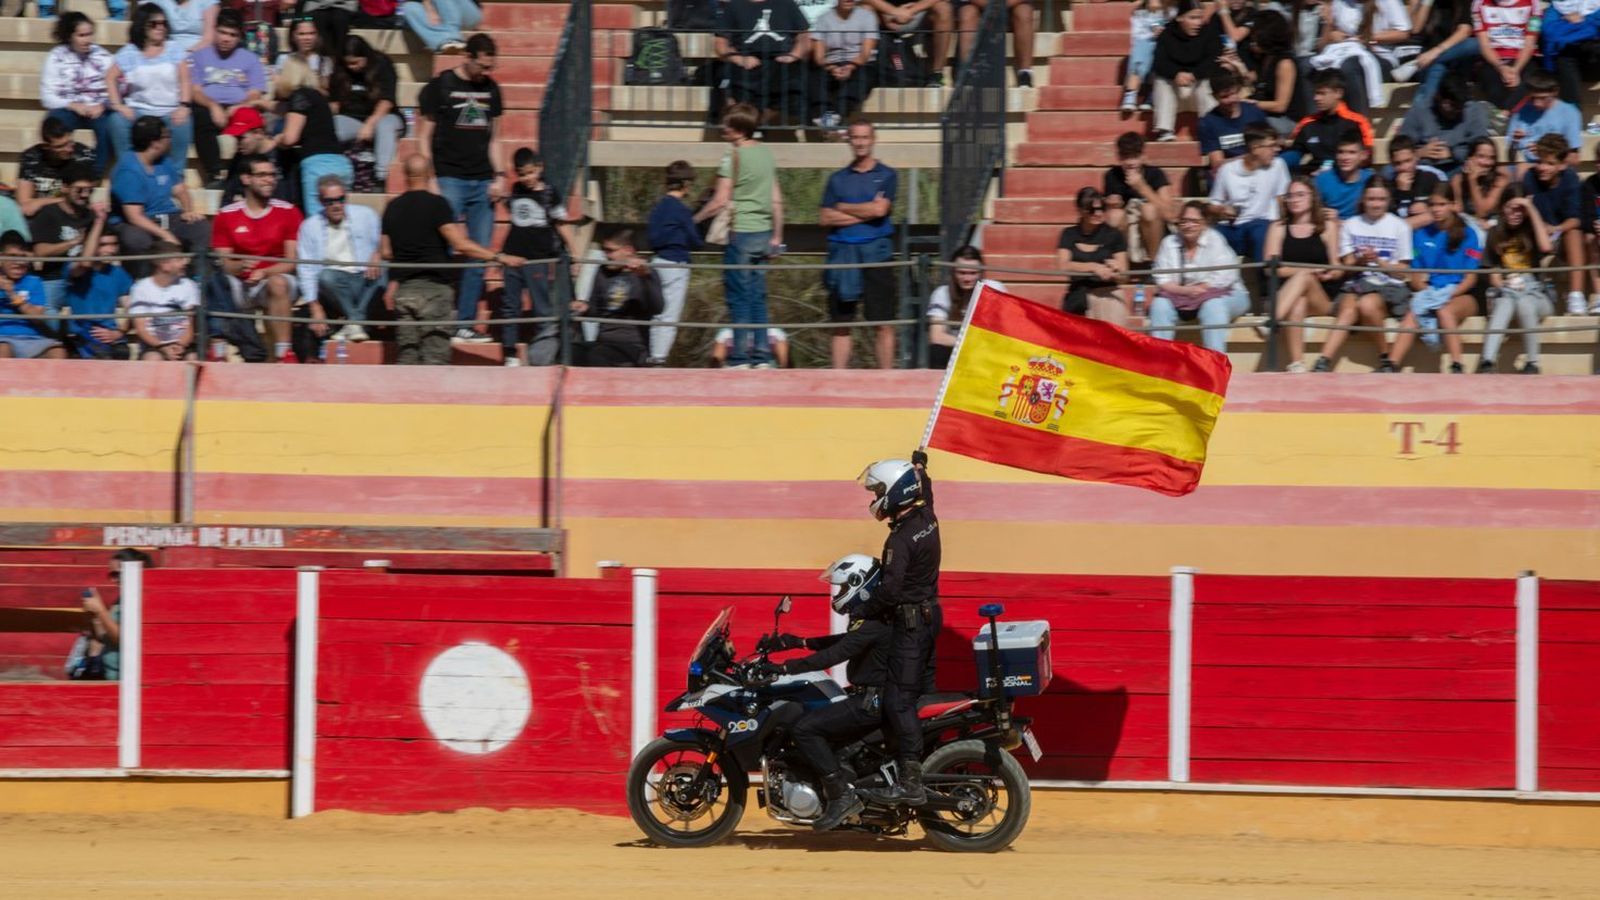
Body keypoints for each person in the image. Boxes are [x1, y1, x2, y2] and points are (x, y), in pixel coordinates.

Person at [754, 553, 893, 832]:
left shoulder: (875, 621)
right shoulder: (873, 618)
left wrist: (784, 669)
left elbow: (838, 653)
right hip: (869, 695)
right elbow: (843, 641)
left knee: (805, 729)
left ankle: (841, 796)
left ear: (858, 583)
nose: (840, 593)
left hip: (872, 700)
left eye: (842, 587)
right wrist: (798, 641)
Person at [855, 454, 941, 808]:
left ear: (894, 492)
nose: (873, 495)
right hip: (931, 616)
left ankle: (910, 781)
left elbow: (889, 592)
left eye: (877, 489)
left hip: (911, 626)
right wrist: (922, 470)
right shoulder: (927, 518)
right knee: (921, 694)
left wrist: (863, 610)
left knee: (898, 700)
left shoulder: (901, 539)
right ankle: (929, 758)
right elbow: (929, 493)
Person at [381, 155, 523, 365]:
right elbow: (461, 244)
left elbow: (385, 252)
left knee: (407, 356)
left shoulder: (392, 207)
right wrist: (498, 257)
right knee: (435, 358)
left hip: (406, 291)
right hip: (435, 291)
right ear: (430, 174)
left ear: (405, 175)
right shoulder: (438, 205)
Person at [417, 33, 505, 341]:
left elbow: (495, 138)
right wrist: (431, 178)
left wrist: (500, 175)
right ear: (467, 56)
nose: (486, 72)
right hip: (448, 177)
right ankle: (433, 317)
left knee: (479, 254)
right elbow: (424, 136)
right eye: (482, 65)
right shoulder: (440, 86)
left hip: (482, 180)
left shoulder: (491, 88)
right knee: (441, 248)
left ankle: (464, 323)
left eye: (490, 66)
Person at [693, 105, 783, 369]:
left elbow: (720, 201)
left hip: (741, 232)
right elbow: (777, 199)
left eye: (728, 125)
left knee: (738, 296)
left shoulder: (731, 156)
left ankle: (741, 357)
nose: (723, 128)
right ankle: (763, 356)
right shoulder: (766, 154)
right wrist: (777, 235)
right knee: (758, 296)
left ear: (740, 130)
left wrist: (693, 220)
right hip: (764, 233)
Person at [211, 154, 309, 362]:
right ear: (246, 179)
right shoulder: (226, 215)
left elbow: (291, 261)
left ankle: (285, 353)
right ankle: (217, 350)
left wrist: (264, 272)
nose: (269, 180)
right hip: (241, 283)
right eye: (262, 175)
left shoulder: (289, 212)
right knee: (213, 282)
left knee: (278, 283)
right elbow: (226, 264)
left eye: (272, 175)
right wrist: (240, 266)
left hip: (275, 279)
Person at [1312, 176, 1412, 371]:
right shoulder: (1351, 224)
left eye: (1381, 200)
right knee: (1348, 308)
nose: (1376, 204)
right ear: (1363, 200)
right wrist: (1361, 261)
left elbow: (1403, 272)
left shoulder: (1400, 226)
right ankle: (1323, 361)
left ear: (1389, 201)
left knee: (1367, 304)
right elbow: (1348, 266)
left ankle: (1385, 357)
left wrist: (1378, 261)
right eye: (1371, 199)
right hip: (1357, 282)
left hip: (1388, 286)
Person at [821, 119, 897, 369]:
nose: (860, 142)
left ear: (873, 140)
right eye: (855, 137)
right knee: (841, 322)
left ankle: (887, 380)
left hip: (877, 254)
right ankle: (838, 378)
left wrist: (843, 208)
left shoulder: (887, 175)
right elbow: (825, 217)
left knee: (883, 322)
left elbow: (880, 211)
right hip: (843, 255)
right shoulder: (837, 179)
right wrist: (865, 210)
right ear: (849, 140)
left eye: (865, 137)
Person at [1392, 184, 1481, 373]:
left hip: (1461, 295)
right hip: (1430, 291)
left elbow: (1470, 279)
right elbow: (1415, 273)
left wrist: (1445, 296)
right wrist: (1428, 294)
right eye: (1432, 204)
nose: (1436, 209)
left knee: (1444, 311)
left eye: (1442, 204)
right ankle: (1391, 365)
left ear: (1453, 205)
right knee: (1412, 314)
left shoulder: (1468, 234)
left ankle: (1457, 365)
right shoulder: (1420, 234)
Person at [499, 148, 575, 367]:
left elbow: (561, 224)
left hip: (537, 260)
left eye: (531, 173)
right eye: (522, 174)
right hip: (512, 258)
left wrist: (575, 252)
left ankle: (543, 355)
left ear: (539, 168)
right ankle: (510, 354)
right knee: (510, 305)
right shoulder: (515, 190)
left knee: (541, 307)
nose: (527, 179)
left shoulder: (550, 193)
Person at [110, 115, 209, 276]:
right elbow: (134, 216)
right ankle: (143, 282)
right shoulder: (128, 170)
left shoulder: (164, 161)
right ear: (155, 142)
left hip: (168, 216)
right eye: (167, 136)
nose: (170, 139)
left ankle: (197, 280)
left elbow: (180, 190)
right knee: (136, 239)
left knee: (200, 227)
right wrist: (165, 235)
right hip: (139, 222)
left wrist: (188, 210)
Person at [1150, 201, 1251, 354]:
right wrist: (1187, 291)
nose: (1188, 225)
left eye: (1194, 221)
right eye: (1184, 221)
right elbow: (1162, 279)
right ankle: (1159, 364)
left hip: (1228, 294)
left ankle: (1215, 365)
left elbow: (1225, 277)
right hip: (1181, 295)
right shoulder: (1169, 243)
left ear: (1204, 223)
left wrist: (1201, 289)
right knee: (1159, 305)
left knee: (1213, 306)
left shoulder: (1215, 240)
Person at [1268, 176, 1343, 371]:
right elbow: (1271, 268)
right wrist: (1308, 270)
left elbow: (1336, 266)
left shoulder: (1327, 227)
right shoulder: (1277, 228)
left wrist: (1329, 274)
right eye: (1290, 196)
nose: (1294, 200)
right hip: (1289, 296)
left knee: (1304, 277)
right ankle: (1297, 364)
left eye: (1300, 195)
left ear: (1312, 198)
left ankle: (1272, 319)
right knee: (1298, 301)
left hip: (1321, 297)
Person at [297, 174, 383, 344]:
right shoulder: (309, 226)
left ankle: (352, 322)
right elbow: (306, 269)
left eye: (340, 199)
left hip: (365, 278)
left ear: (346, 197)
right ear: (321, 201)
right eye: (330, 201)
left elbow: (384, 241)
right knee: (325, 276)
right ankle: (357, 322)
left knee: (386, 268)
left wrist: (378, 253)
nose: (336, 205)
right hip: (335, 286)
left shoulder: (367, 215)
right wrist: (315, 307)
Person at [106, 4, 194, 167]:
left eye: (163, 23)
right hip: (139, 110)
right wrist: (118, 105)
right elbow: (110, 77)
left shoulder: (174, 49)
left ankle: (176, 175)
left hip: (169, 110)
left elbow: (185, 79)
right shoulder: (130, 52)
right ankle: (129, 169)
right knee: (116, 121)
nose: (160, 28)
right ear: (142, 26)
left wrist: (184, 106)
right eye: (154, 24)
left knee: (184, 122)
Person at [189, 8, 268, 187]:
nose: (226, 38)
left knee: (250, 122)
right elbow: (195, 91)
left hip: (239, 107)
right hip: (208, 106)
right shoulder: (200, 56)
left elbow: (255, 93)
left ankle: (236, 177)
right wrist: (213, 106)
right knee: (199, 115)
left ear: (239, 37)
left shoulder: (250, 59)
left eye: (232, 34)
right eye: (222, 32)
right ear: (214, 30)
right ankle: (215, 174)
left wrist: (239, 106)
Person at [1479, 187, 1553, 373]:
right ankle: (1487, 361)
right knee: (1506, 301)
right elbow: (1494, 276)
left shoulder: (1532, 228)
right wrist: (1506, 284)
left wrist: (1531, 207)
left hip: (1537, 293)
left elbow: (1546, 247)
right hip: (1508, 290)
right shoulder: (1494, 232)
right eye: (1511, 208)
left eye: (1520, 209)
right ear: (1503, 208)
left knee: (1525, 303)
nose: (1516, 214)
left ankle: (1533, 362)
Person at [571, 229, 664, 368]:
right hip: (603, 342)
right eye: (604, 250)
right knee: (571, 351)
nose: (606, 255)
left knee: (597, 357)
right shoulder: (602, 272)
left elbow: (658, 308)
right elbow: (595, 310)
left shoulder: (647, 273)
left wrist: (646, 278)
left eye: (610, 251)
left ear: (628, 250)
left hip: (633, 345)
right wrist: (584, 307)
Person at [39, 12, 116, 175]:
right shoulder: (56, 57)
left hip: (98, 109)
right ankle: (59, 170)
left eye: (89, 34)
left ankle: (95, 174)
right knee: (54, 123)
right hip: (68, 108)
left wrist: (103, 105)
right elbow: (47, 96)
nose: (87, 39)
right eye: (81, 35)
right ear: (70, 36)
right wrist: (72, 105)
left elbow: (119, 89)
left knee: (109, 126)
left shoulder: (103, 56)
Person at [274, 56, 352, 216]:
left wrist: (277, 139)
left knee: (320, 222)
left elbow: (290, 138)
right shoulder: (318, 97)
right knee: (339, 220)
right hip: (340, 162)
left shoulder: (299, 96)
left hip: (319, 166)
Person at [1308, 0, 1412, 116]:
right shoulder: (1340, 3)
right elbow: (1323, 45)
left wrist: (1368, 38)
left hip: (1380, 57)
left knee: (1350, 66)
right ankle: (1313, 124)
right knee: (1307, 65)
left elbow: (1403, 33)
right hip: (1343, 51)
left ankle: (1359, 122)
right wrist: (1330, 29)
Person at [715, 0, 812, 125]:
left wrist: (794, 55)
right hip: (746, 62)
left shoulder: (787, 4)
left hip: (781, 62)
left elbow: (804, 37)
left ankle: (759, 121)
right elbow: (720, 44)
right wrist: (739, 59)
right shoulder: (734, 6)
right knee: (733, 88)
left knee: (795, 85)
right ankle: (749, 124)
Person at [1521, 133, 1586, 315]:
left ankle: (1575, 296)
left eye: (1550, 163)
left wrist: (1555, 229)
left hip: (1560, 234)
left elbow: (1575, 219)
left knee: (1575, 233)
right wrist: (1542, 228)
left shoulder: (1571, 179)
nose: (1542, 167)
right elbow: (1527, 211)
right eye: (1540, 161)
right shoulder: (1529, 177)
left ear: (1562, 165)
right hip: (1535, 232)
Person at [645, 161, 703, 365]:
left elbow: (652, 237)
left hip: (657, 261)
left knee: (656, 312)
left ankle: (653, 353)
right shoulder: (681, 210)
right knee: (670, 314)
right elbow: (696, 241)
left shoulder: (658, 208)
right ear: (686, 185)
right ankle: (660, 358)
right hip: (676, 264)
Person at [1208, 123, 1291, 260]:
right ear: (1255, 148)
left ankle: (1268, 279)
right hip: (1234, 228)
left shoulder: (1278, 165)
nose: (1276, 150)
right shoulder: (1227, 170)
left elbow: (1282, 199)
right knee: (1209, 235)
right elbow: (1212, 204)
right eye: (1271, 146)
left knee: (1260, 231)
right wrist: (1222, 210)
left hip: (1261, 225)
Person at [330, 35, 404, 185]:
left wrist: (370, 124)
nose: (352, 67)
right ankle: (337, 174)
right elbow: (336, 102)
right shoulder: (341, 70)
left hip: (384, 115)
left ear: (365, 56)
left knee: (385, 126)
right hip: (352, 118)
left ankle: (381, 176)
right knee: (330, 126)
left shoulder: (382, 64)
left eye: (356, 62)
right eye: (348, 63)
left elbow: (387, 100)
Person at [29, 164, 101, 310]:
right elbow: (40, 252)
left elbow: (90, 260)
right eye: (80, 190)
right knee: (47, 318)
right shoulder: (49, 213)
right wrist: (74, 242)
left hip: (84, 279)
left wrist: (100, 220)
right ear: (65, 188)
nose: (85, 195)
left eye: (89, 191)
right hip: (54, 278)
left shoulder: (92, 216)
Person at [1149, 0, 1223, 142]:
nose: (1198, 23)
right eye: (1192, 18)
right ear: (1180, 18)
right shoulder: (1167, 35)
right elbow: (1159, 63)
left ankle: (1210, 128)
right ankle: (1165, 130)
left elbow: (1214, 60)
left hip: (1198, 92)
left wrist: (1194, 75)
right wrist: (1176, 73)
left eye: (1199, 18)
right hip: (1175, 93)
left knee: (1207, 82)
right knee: (1161, 80)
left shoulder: (1210, 34)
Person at [1056, 187, 1130, 325]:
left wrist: (1116, 271)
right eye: (1091, 210)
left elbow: (1125, 276)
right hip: (1078, 294)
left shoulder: (1114, 235)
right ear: (1080, 210)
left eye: (1102, 208)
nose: (1098, 213)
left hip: (1107, 292)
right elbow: (1062, 265)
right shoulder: (1069, 234)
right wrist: (1093, 267)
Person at [62, 221, 134, 360]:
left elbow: (132, 307)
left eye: (113, 244)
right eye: (103, 245)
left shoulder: (118, 273)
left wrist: (119, 332)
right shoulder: (74, 268)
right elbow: (85, 262)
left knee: (122, 353)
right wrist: (98, 222)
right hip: (81, 335)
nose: (110, 250)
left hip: (109, 336)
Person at [1104, 131, 1177, 264]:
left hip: (1154, 232)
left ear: (1143, 156)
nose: (1131, 162)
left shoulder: (1156, 174)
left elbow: (1170, 215)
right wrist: (1111, 204)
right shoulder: (1112, 175)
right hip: (1129, 232)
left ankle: (1154, 264)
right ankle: (1123, 266)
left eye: (1135, 156)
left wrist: (1142, 187)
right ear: (1119, 157)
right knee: (1114, 216)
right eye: (1126, 157)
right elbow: (1112, 214)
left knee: (1149, 209)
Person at [1395, 75, 1488, 177]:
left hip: (1459, 167)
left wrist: (1453, 153)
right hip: (1424, 168)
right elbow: (1401, 146)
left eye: (1459, 107)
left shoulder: (1474, 111)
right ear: (1439, 98)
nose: (1455, 110)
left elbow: (1481, 148)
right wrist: (1419, 153)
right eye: (1451, 105)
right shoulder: (1419, 110)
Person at [926, 245, 1003, 368]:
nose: (967, 278)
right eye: (962, 273)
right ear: (953, 272)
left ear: (981, 272)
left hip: (987, 350)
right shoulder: (941, 293)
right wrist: (970, 344)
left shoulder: (995, 289)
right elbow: (936, 336)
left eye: (973, 273)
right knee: (937, 352)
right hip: (957, 350)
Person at [1288, 68, 1374, 174]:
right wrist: (1282, 161)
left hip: (1345, 175)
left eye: (1322, 93)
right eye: (1315, 93)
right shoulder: (1308, 123)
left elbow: (1367, 158)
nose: (1316, 98)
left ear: (1338, 93)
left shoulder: (1358, 122)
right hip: (1313, 178)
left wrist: (1331, 171)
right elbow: (1295, 152)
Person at [808, 0, 878, 129]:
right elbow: (818, 56)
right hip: (832, 63)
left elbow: (866, 53)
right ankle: (825, 117)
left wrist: (851, 66)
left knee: (863, 77)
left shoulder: (867, 16)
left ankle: (833, 118)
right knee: (814, 76)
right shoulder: (823, 19)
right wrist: (831, 67)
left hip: (859, 63)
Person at [1390, 0, 1475, 104]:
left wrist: (1435, 52)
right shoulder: (1434, 4)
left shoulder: (1464, 3)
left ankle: (1421, 107)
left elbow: (1464, 31)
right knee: (1438, 66)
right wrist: (1425, 3)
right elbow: (1415, 29)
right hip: (1431, 57)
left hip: (1453, 54)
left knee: (1471, 44)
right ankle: (1423, 109)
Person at [129, 240, 202, 360]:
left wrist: (179, 346)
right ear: (165, 265)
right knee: (153, 358)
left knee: (193, 358)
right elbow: (141, 329)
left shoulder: (189, 285)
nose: (185, 263)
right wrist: (162, 347)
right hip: (154, 345)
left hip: (182, 344)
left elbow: (190, 327)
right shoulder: (140, 288)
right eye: (179, 260)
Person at [0, 232, 65, 360]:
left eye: (22, 257)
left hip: (33, 339)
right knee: (3, 350)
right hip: (2, 339)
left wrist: (12, 294)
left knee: (58, 352)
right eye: (13, 256)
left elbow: (38, 318)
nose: (19, 262)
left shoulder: (34, 281)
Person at [16, 117, 96, 218]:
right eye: (60, 146)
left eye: (70, 142)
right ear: (46, 147)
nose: (69, 149)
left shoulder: (83, 154)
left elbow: (81, 198)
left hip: (72, 217)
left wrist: (40, 202)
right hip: (41, 218)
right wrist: (63, 199)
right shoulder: (31, 157)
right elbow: (25, 206)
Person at [1465, 0, 1537, 109]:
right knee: (1494, 88)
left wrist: (1516, 70)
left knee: (1528, 82)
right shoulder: (1479, 4)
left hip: (1522, 58)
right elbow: (1484, 45)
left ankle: (1506, 115)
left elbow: (1529, 43)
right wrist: (1501, 67)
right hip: (1494, 59)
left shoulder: (1532, 3)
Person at [865, 0, 955, 86]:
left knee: (943, 8)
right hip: (885, 13)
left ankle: (937, 73)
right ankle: (867, 70)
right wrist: (893, 11)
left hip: (916, 12)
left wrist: (911, 10)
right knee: (866, 8)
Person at [1506, 70, 1581, 170]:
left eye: (1543, 98)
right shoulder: (1520, 113)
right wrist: (1514, 142)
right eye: (1533, 98)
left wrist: (1544, 152)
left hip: (1555, 169)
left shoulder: (1569, 113)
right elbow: (1511, 158)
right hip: (1526, 167)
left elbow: (1573, 158)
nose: (1537, 103)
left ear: (1555, 92)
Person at [1248, 11, 1307, 134]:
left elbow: (1281, 106)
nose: (1252, 39)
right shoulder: (1266, 57)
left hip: (1287, 121)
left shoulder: (1285, 63)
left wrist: (1251, 105)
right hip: (1268, 114)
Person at [1198, 71, 1268, 169]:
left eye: (1233, 94)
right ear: (1215, 97)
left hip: (1258, 169)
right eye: (1224, 97)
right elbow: (1218, 164)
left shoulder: (1254, 112)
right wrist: (1248, 158)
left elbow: (1267, 146)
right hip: (1231, 173)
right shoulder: (1208, 122)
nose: (1231, 100)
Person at [959, 0, 1036, 87]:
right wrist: (990, 5)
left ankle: (1024, 73)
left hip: (1011, 4)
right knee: (968, 14)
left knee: (1024, 13)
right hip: (980, 4)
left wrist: (1003, 5)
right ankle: (968, 73)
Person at [1122, 0, 1179, 112]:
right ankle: (1130, 94)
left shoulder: (1172, 12)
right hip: (1145, 43)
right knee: (1140, 54)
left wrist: (1165, 33)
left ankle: (1152, 96)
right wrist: (1152, 34)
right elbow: (1137, 36)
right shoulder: (1140, 14)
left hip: (1165, 44)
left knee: (1161, 56)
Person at [1386, 134, 1443, 228]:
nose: (1404, 168)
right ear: (1391, 163)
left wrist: (1428, 207)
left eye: (1408, 161)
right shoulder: (1389, 185)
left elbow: (1447, 208)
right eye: (1398, 163)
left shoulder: (1432, 177)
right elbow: (1390, 219)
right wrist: (1402, 193)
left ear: (1416, 156)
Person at [1313, 132, 1373, 218]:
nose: (1345, 158)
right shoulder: (1322, 180)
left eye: (1352, 152)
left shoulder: (1370, 179)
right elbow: (1313, 211)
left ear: (1363, 155)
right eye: (1340, 152)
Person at [1452, 137, 1510, 220]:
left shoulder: (1500, 180)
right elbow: (1459, 211)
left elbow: (1482, 213)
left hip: (1493, 225)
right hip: (1468, 224)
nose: (1487, 162)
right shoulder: (1458, 180)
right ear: (1470, 158)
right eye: (1481, 156)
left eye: (1492, 158)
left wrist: (1472, 179)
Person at [400, 0, 483, 54]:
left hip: (467, 12)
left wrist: (429, 6)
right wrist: (429, 7)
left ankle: (452, 38)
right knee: (409, 7)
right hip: (438, 16)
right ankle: (442, 43)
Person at [273, 16, 331, 82]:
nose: (307, 38)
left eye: (312, 33)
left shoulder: (324, 61)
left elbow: (325, 88)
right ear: (292, 37)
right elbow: (278, 87)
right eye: (301, 34)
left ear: (317, 36)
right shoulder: (284, 59)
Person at [711, 326, 792, 366]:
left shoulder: (726, 333)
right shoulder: (775, 332)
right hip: (763, 366)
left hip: (738, 366)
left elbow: (716, 360)